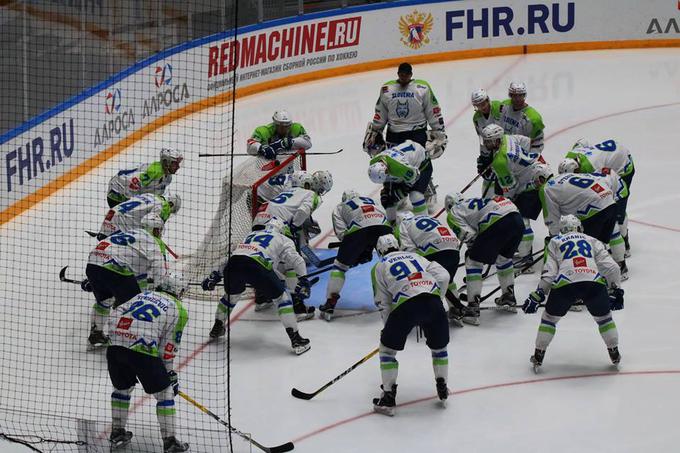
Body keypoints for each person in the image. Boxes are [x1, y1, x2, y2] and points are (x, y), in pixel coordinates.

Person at [522, 215, 624, 371]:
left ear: (562, 229)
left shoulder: (555, 241)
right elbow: (613, 268)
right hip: (593, 282)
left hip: (565, 283)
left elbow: (549, 273)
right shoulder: (591, 240)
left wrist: (538, 295)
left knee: (549, 318)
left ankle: (539, 354)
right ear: (579, 227)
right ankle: (614, 350)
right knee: (604, 318)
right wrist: (616, 290)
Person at [202, 218, 312, 355]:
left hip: (233, 265)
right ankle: (296, 339)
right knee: (282, 299)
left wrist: (215, 275)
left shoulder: (251, 235)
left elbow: (235, 255)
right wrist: (304, 280)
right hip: (258, 266)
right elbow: (297, 260)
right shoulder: (283, 238)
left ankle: (217, 326)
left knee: (231, 296)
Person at [106, 273, 189, 452]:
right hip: (142, 351)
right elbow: (168, 348)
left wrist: (117, 338)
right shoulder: (178, 309)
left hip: (115, 347)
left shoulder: (140, 295)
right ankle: (170, 442)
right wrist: (169, 374)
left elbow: (115, 314)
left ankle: (117, 433)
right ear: (179, 291)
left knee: (122, 389)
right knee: (165, 394)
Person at [371, 234, 450, 416]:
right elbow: (444, 276)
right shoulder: (417, 256)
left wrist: (388, 330)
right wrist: (437, 299)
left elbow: (384, 302)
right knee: (440, 348)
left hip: (406, 306)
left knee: (387, 351)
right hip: (434, 303)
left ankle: (388, 398)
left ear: (379, 251)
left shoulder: (380, 266)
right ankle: (442, 385)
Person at [364, 62, 447, 212]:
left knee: (421, 163)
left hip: (417, 133)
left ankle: (427, 190)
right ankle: (398, 195)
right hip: (394, 134)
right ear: (398, 74)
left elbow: (433, 110)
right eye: (401, 74)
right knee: (393, 164)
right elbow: (380, 112)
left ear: (411, 74)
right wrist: (376, 131)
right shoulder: (386, 89)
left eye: (406, 74)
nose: (403, 77)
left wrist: (438, 131)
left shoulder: (422, 88)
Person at [83, 219, 169, 347]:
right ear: (156, 230)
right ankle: (124, 340)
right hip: (115, 268)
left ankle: (96, 333)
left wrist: (95, 279)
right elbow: (159, 269)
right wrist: (161, 288)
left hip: (93, 264)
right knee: (134, 305)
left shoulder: (129, 232)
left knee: (105, 300)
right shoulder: (154, 242)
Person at [445, 193, 524, 325]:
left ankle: (472, 308)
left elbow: (468, 236)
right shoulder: (475, 202)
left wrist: (473, 250)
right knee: (503, 259)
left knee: (473, 262)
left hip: (497, 222)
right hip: (517, 219)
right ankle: (508, 297)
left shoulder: (453, 212)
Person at [536, 168, 628, 278]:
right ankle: (621, 266)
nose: (534, 186)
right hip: (609, 200)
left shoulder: (546, 189)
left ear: (541, 179)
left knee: (589, 244)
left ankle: (592, 274)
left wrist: (554, 238)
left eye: (535, 182)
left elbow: (551, 217)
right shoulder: (566, 176)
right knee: (612, 235)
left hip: (594, 209)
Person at [318, 190, 392, 321]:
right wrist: (368, 249)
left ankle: (330, 303)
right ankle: (400, 296)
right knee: (392, 261)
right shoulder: (373, 201)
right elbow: (381, 222)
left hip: (358, 230)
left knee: (339, 266)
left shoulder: (340, 207)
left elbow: (342, 234)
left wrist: (355, 252)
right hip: (383, 227)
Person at [479, 124, 544, 268]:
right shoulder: (508, 138)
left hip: (531, 182)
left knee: (520, 219)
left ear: (497, 140)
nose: (486, 144)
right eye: (485, 140)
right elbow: (527, 142)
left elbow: (511, 187)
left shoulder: (500, 162)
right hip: (540, 167)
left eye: (489, 141)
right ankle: (522, 251)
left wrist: (508, 203)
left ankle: (526, 260)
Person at [559, 138, 635, 256]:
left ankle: (624, 240)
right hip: (612, 157)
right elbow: (583, 142)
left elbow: (600, 193)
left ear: (577, 169)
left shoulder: (591, 167)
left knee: (614, 209)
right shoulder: (571, 158)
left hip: (623, 165)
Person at [394, 212, 469, 326]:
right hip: (454, 250)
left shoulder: (403, 225)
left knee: (427, 281)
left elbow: (409, 252)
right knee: (448, 279)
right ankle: (455, 308)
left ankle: (431, 313)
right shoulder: (429, 218)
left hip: (434, 252)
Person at [368, 140, 432, 222]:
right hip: (405, 161)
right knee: (388, 199)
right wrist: (389, 194)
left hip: (421, 164)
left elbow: (416, 176)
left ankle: (425, 220)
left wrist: (402, 192)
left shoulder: (399, 168)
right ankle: (392, 223)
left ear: (386, 171)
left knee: (415, 195)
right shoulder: (374, 162)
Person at [107, 148, 183, 208]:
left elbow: (154, 196)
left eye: (178, 164)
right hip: (117, 192)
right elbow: (133, 185)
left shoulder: (168, 177)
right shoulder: (154, 171)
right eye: (175, 164)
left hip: (127, 192)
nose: (178, 167)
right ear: (166, 162)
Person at [97, 193, 181, 240]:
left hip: (111, 216)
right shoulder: (164, 206)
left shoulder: (150, 195)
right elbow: (148, 221)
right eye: (172, 211)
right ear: (171, 204)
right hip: (122, 225)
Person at [246, 110, 312, 160]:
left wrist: (292, 141)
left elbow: (308, 143)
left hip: (288, 165)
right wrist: (260, 148)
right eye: (281, 126)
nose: (285, 129)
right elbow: (250, 147)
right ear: (275, 124)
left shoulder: (296, 128)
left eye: (287, 126)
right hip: (265, 168)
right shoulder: (262, 131)